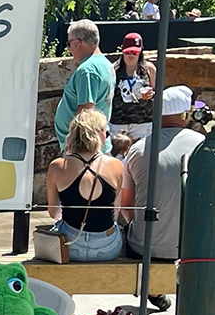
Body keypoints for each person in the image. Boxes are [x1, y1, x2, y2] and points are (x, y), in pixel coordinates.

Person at [120, 86, 203, 312]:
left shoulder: (137, 149)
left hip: (145, 246)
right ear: (186, 114)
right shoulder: (204, 147)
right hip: (195, 248)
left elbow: (126, 207)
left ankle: (155, 290)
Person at [46, 109, 125, 261]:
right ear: (98, 133)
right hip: (107, 246)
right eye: (106, 132)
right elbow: (115, 211)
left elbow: (54, 212)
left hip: (69, 245)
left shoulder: (57, 166)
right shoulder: (116, 165)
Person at [55, 19, 116, 155]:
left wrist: (74, 148)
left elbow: (85, 112)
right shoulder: (106, 65)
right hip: (98, 143)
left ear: (77, 43)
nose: (69, 49)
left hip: (84, 150)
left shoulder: (87, 70)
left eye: (68, 44)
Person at [110, 33, 157, 141]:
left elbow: (158, 94)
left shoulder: (149, 69)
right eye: (128, 52)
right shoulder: (113, 69)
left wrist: (151, 95)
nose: (131, 56)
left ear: (140, 52)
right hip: (118, 122)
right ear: (122, 51)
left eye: (135, 52)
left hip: (143, 122)